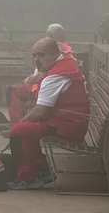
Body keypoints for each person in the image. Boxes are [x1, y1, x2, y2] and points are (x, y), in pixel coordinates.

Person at [7, 37, 90, 189]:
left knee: (19, 131)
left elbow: (41, 111)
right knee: (26, 127)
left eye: (41, 55)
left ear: (53, 54)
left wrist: (20, 123)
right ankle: (42, 169)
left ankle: (28, 177)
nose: (37, 60)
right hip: (73, 121)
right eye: (34, 56)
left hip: (68, 126)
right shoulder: (64, 65)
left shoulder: (55, 76)